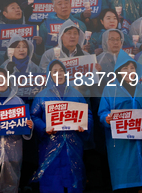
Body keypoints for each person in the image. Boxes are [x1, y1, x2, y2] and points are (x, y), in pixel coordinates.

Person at [30, 59, 93, 193]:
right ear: (49, 74)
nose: (58, 73)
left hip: (73, 143)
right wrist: (44, 127)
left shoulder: (76, 94)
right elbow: (34, 116)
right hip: (49, 143)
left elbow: (88, 114)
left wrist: (83, 125)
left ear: (65, 73)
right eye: (55, 71)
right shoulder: (42, 96)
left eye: (61, 70)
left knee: (73, 176)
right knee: (51, 177)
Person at [98, 51, 142, 191]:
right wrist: (106, 118)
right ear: (118, 72)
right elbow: (102, 112)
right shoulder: (110, 89)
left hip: (141, 140)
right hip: (120, 142)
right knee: (124, 178)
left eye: (132, 67)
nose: (130, 71)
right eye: (125, 68)